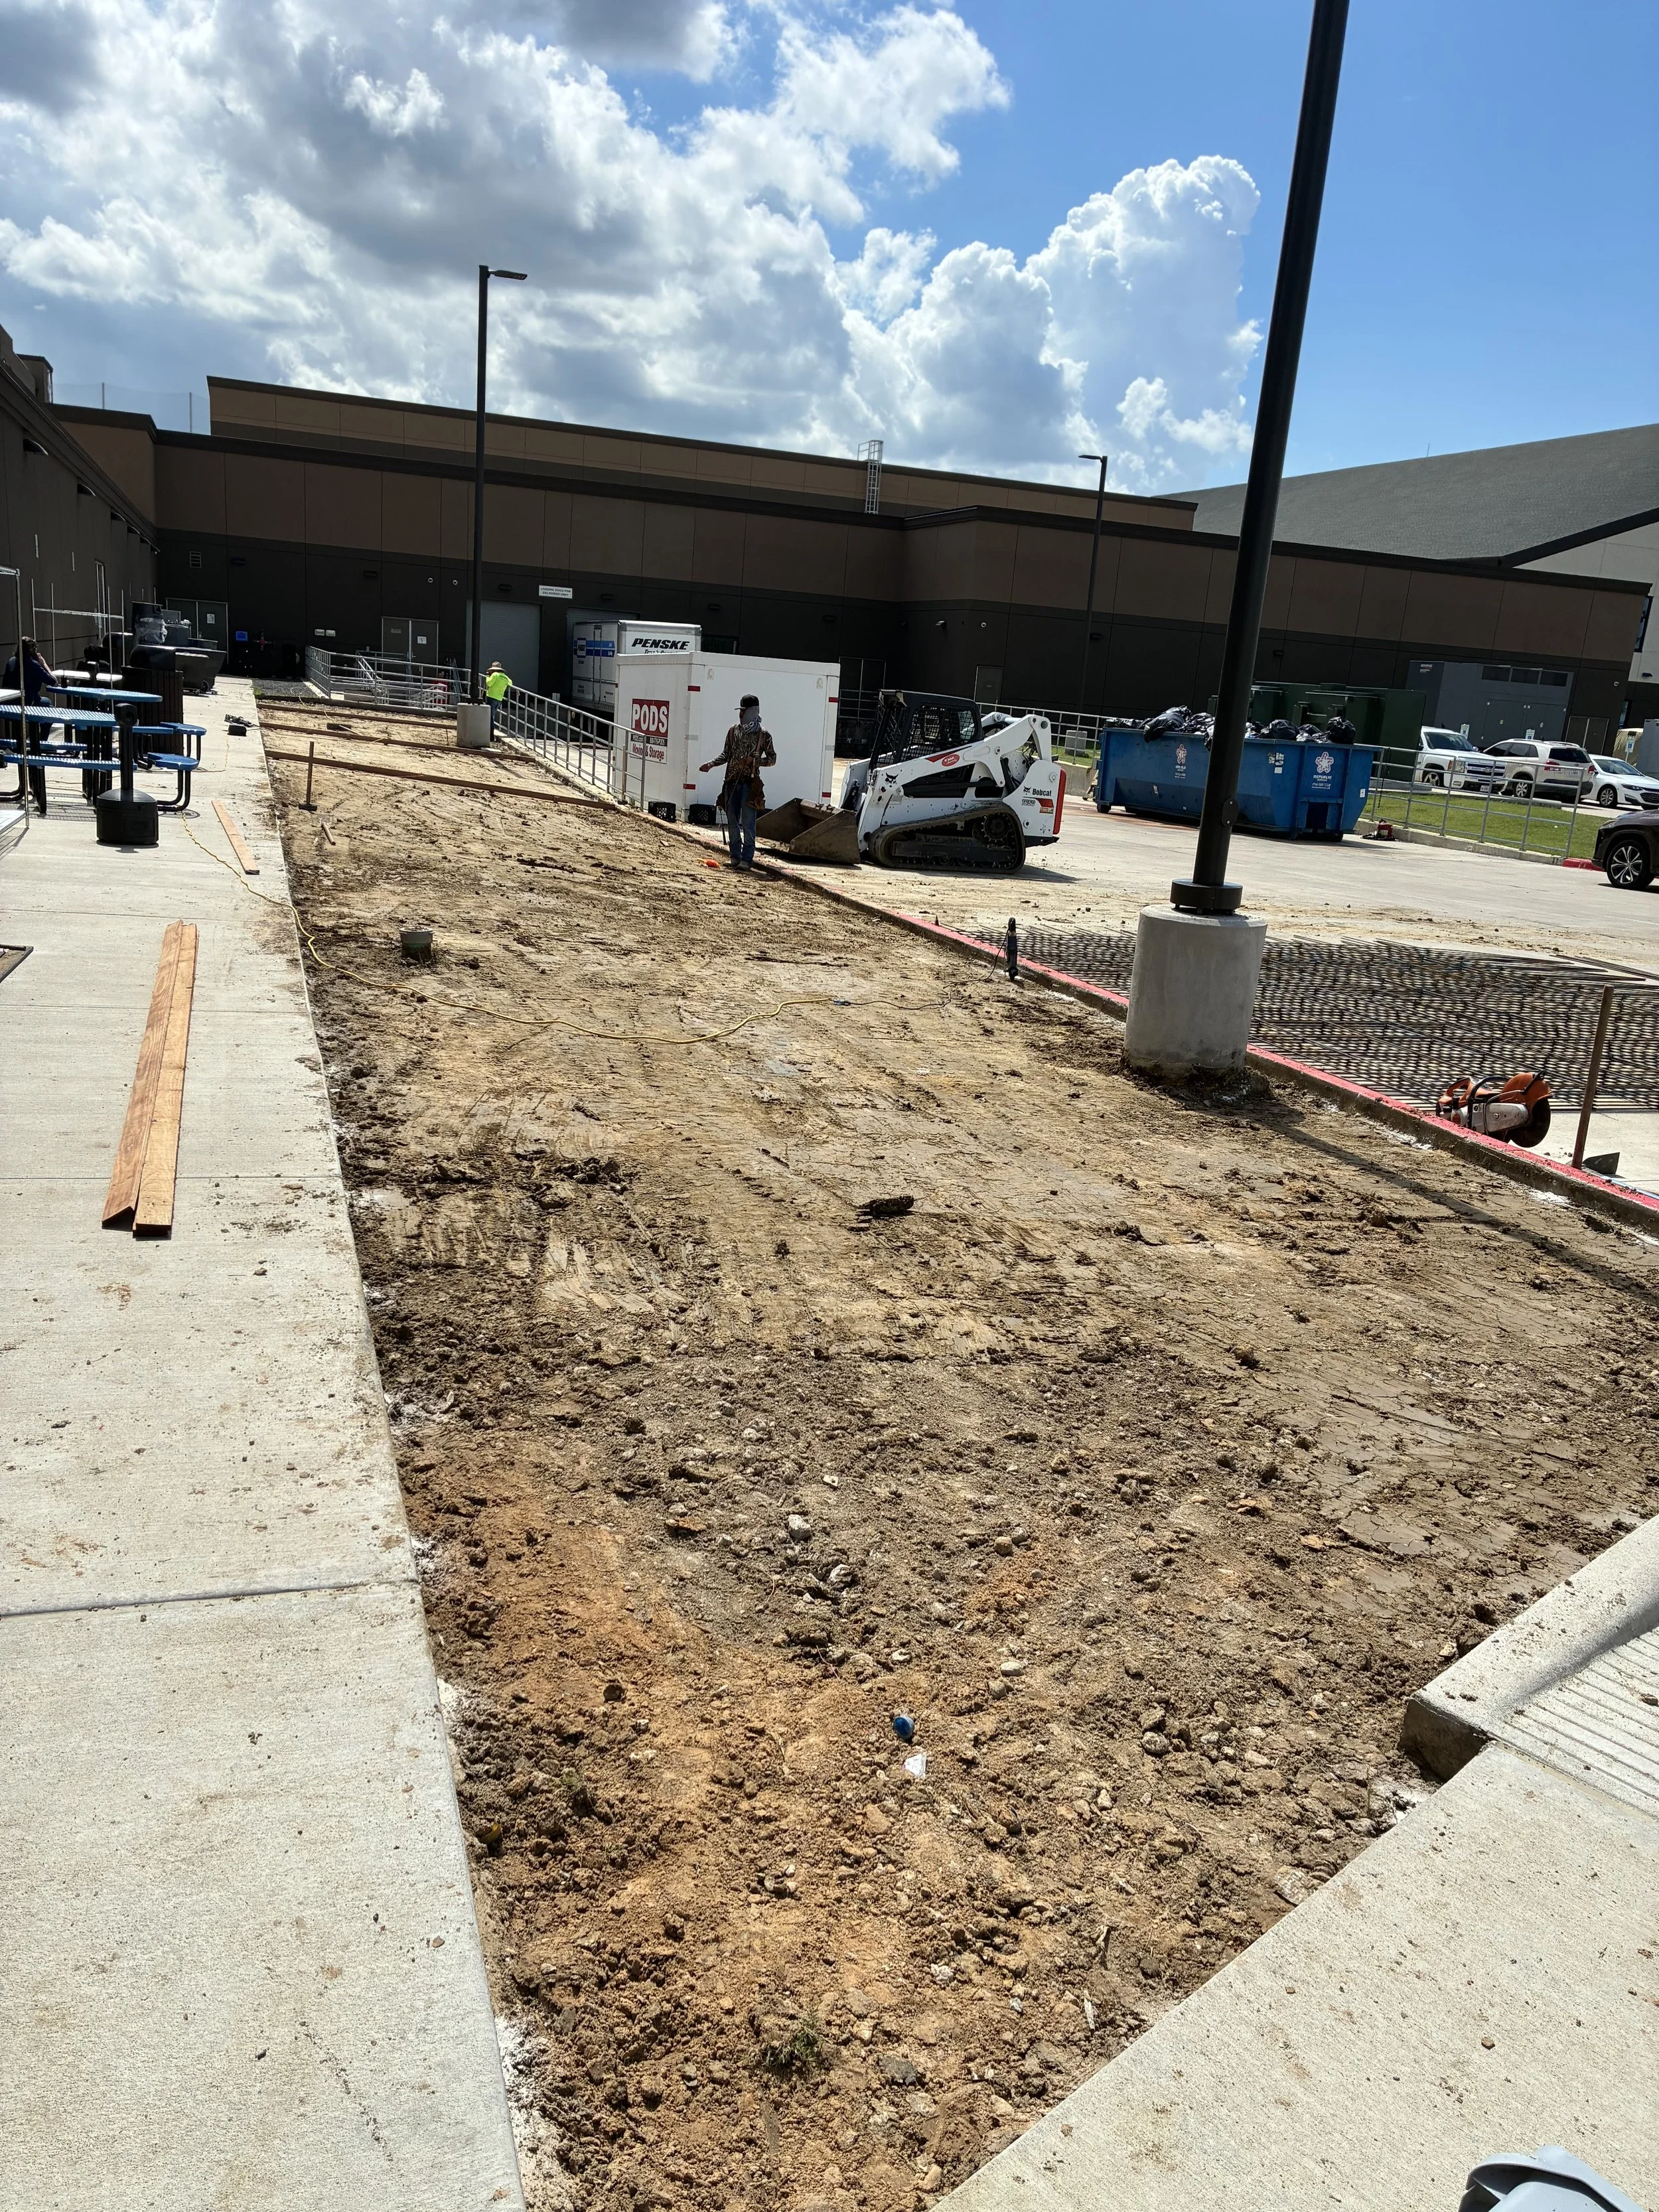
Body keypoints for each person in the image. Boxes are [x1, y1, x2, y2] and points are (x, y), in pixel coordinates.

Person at [700, 692, 776, 871]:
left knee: (748, 823)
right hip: (731, 783)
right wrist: (711, 764)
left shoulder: (763, 736)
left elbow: (772, 759)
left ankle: (747, 859)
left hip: (750, 785)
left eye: (744, 711)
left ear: (753, 712)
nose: (741, 714)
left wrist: (755, 762)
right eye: (740, 710)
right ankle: (735, 856)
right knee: (732, 821)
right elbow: (726, 754)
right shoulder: (733, 731)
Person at [3, 637, 58, 811]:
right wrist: (43, 663)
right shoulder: (34, 665)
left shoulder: (12, 662)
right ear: (33, 651)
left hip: (9, 706)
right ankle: (39, 744)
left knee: (45, 703)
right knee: (48, 706)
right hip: (28, 706)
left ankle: (30, 745)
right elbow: (54, 681)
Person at [483, 659, 513, 736]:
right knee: (492, 716)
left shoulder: (495, 675)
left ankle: (491, 734)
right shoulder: (505, 677)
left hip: (491, 697)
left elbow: (489, 684)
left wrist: (487, 677)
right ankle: (491, 733)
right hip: (499, 699)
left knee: (489, 717)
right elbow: (510, 683)